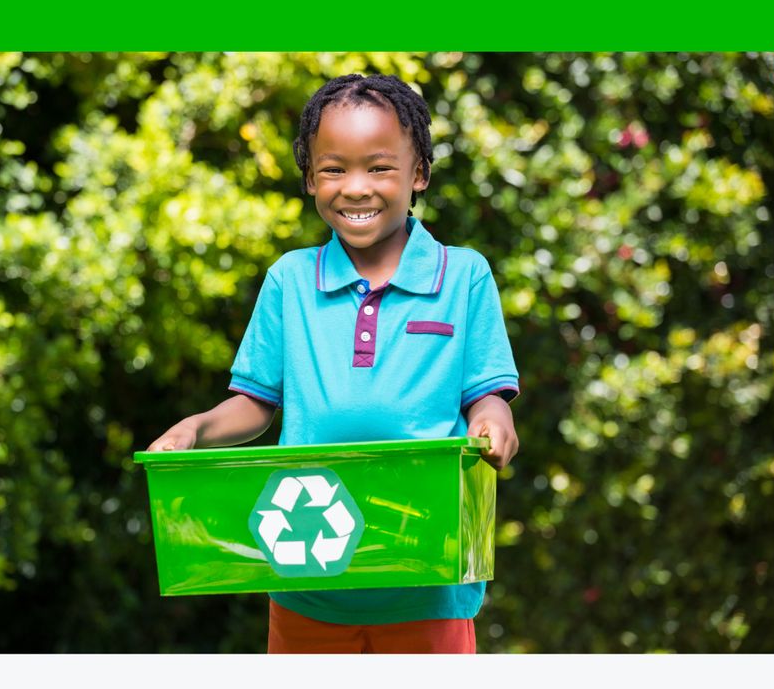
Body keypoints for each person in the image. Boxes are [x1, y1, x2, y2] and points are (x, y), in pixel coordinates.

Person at [147, 72, 520, 653]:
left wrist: (495, 420)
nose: (356, 188)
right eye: (333, 169)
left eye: (379, 167)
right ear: (309, 179)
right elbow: (256, 404)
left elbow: (485, 392)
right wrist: (197, 428)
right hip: (305, 579)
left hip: (426, 578)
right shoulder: (290, 281)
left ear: (418, 173)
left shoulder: (463, 275)